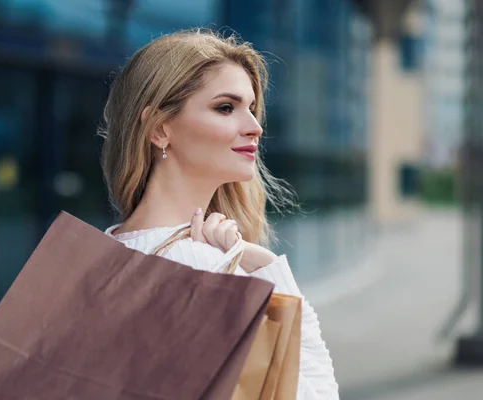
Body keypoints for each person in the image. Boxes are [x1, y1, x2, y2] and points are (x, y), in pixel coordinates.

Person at [101, 28, 339, 399]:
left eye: (252, 109)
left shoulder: (103, 253)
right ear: (160, 128)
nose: (254, 127)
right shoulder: (204, 268)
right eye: (225, 108)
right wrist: (264, 269)